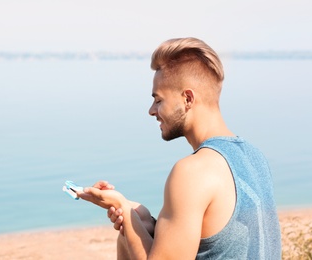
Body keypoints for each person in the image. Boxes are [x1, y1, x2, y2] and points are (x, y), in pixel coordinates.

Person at [78, 37, 282, 259]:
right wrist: (142, 221)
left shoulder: (192, 171)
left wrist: (124, 211)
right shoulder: (254, 156)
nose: (151, 110)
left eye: (158, 100)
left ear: (187, 98)